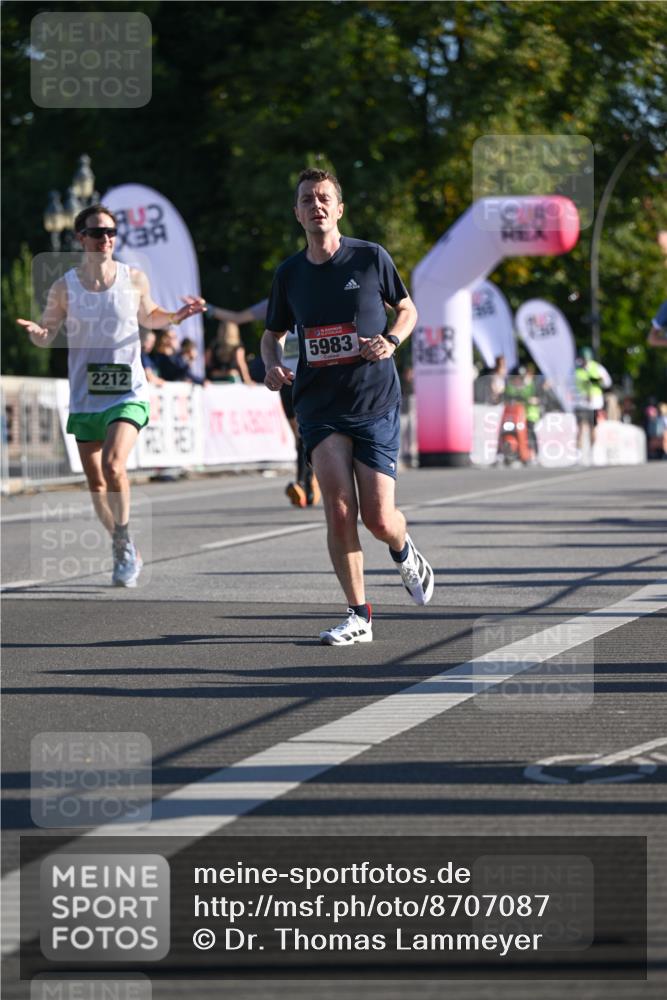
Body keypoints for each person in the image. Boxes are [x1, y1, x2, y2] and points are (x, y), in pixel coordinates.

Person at [261, 167, 434, 645]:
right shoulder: (289, 274)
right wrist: (271, 366)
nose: (315, 205)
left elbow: (408, 308)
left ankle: (403, 549)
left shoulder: (369, 258)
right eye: (306, 200)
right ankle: (359, 615)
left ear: (339, 208)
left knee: (378, 518)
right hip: (318, 404)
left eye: (323, 198)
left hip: (373, 400)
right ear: (297, 213)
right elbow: (271, 335)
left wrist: (392, 341)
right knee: (338, 509)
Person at [17, 203, 205, 586]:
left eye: (111, 232)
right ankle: (123, 541)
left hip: (127, 390)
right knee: (97, 484)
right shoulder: (64, 286)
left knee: (113, 467)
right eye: (97, 232)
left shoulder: (133, 278)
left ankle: (121, 542)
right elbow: (49, 331)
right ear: (80, 238)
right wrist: (40, 335)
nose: (106, 239)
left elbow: (150, 315)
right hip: (86, 395)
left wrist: (175, 317)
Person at [207, 300, 320, 506]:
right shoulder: (279, 297)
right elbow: (238, 317)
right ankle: (307, 482)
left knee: (307, 433)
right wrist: (209, 308)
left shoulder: (317, 289)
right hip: (286, 377)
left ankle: (305, 482)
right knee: (299, 435)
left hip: (311, 375)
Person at [573, 346, 612, 456]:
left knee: (593, 427)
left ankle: (592, 450)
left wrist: (598, 380)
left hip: (594, 403)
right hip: (581, 403)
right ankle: (579, 452)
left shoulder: (598, 368)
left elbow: (607, 383)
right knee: (580, 427)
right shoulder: (576, 369)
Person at [205, 320, 253, 385]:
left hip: (215, 376)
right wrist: (248, 380)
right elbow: (241, 363)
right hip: (231, 377)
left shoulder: (214, 344)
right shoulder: (237, 346)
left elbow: (207, 362)